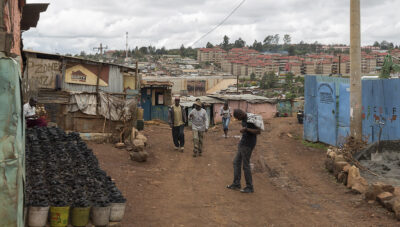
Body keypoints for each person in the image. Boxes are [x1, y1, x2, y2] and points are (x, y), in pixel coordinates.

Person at [226, 109, 264, 193]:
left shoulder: (250, 119)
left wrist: (246, 129)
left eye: (238, 118)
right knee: (236, 162)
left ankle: (249, 187)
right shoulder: (244, 118)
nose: (238, 120)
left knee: (245, 165)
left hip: (248, 144)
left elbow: (258, 131)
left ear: (240, 114)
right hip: (243, 143)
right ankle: (236, 184)